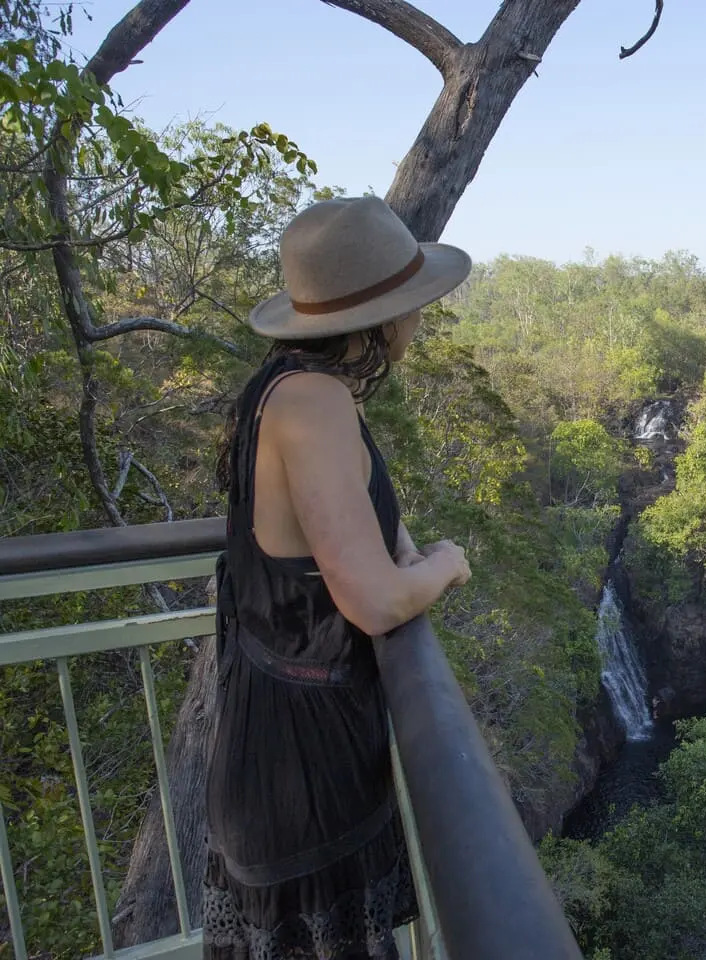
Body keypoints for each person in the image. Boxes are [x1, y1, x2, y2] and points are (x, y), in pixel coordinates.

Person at [203, 196, 473, 959]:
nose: (419, 320)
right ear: (380, 320)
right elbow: (376, 601)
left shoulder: (286, 387)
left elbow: (350, 527)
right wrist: (447, 565)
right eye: (413, 305)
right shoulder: (314, 403)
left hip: (279, 734)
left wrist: (406, 548)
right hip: (302, 767)